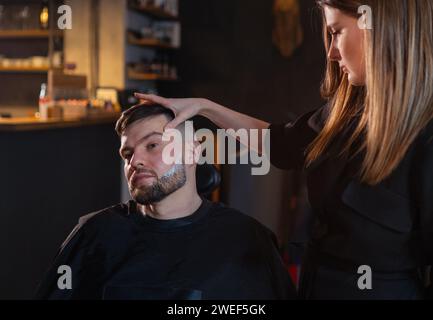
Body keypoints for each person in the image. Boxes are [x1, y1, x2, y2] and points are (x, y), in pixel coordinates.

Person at [134, 0, 433, 299]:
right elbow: (277, 144)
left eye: (337, 32)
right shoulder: (345, 113)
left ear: (378, 27)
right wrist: (205, 108)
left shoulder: (426, 138)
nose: (331, 52)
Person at [34, 103, 296, 300]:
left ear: (193, 151)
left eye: (152, 146)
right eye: (127, 153)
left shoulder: (248, 240)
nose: (134, 161)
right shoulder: (93, 235)